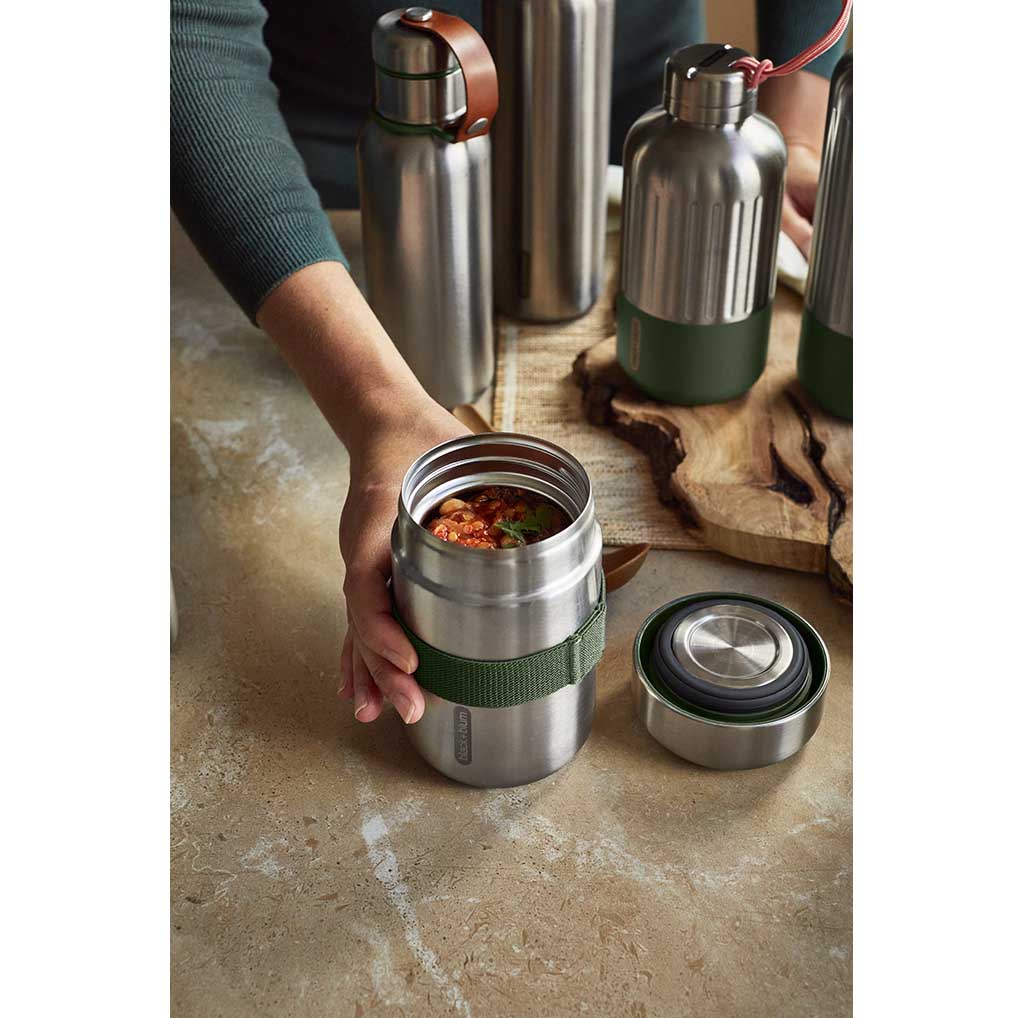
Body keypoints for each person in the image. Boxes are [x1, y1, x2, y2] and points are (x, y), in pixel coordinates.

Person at [171, 0, 847, 726]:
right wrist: (381, 410)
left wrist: (794, 134)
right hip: (300, 193)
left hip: (621, 145)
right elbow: (184, 29)